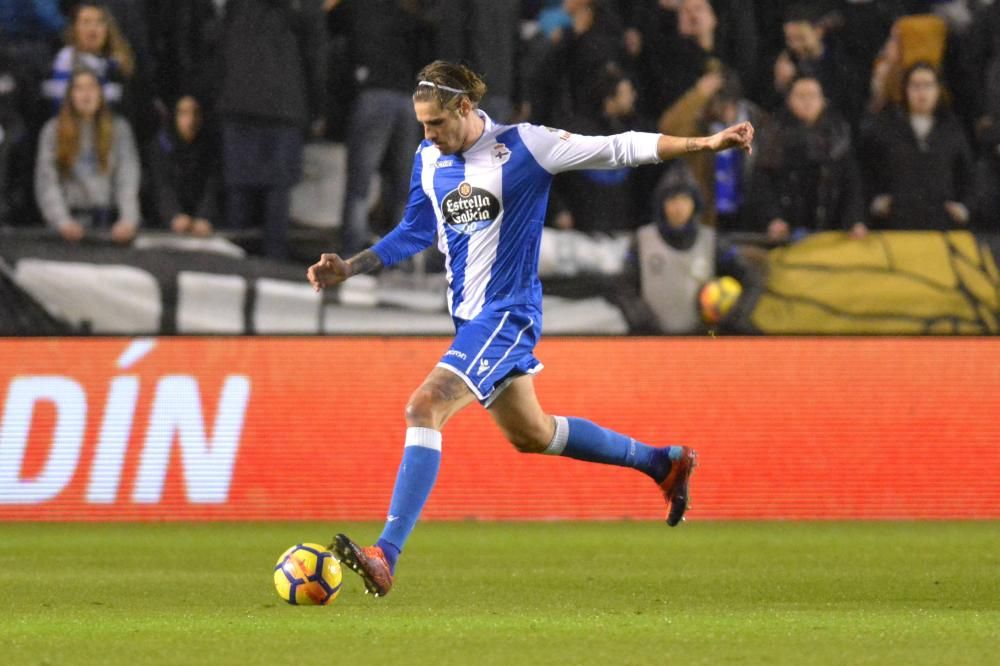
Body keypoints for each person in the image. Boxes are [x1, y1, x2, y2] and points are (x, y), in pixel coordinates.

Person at [306, 60, 753, 597]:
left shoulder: (526, 147)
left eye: (435, 123)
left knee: (424, 406)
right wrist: (352, 266)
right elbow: (415, 229)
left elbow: (615, 147)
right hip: (470, 320)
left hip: (509, 313)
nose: (427, 134)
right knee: (533, 434)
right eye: (422, 124)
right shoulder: (429, 158)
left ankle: (387, 555)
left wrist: (701, 145)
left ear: (465, 109)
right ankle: (664, 463)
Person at [859, 62, 974, 233]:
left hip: (942, 229)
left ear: (938, 90)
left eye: (928, 85)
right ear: (905, 89)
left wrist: (964, 208)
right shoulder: (885, 128)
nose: (922, 92)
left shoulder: (952, 130)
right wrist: (876, 202)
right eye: (915, 85)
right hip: (894, 227)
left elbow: (968, 175)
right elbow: (866, 172)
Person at [34, 66, 140, 243]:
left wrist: (128, 220)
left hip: (110, 226)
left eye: (91, 87)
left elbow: (127, 178)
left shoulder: (119, 129)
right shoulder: (53, 130)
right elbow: (46, 182)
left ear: (101, 93)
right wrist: (62, 222)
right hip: (68, 226)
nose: (86, 94)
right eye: (79, 88)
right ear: (70, 96)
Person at [145, 94, 219, 236]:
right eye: (183, 113)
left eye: (195, 113)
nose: (190, 120)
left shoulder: (209, 145)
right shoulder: (160, 145)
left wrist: (204, 217)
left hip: (203, 224)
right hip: (162, 222)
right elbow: (161, 185)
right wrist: (173, 216)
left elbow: (212, 185)